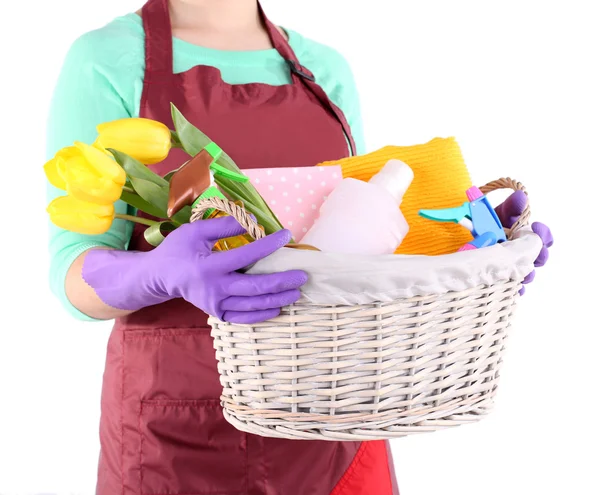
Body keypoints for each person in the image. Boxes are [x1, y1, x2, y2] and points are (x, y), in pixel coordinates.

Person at [46, 0, 553, 493]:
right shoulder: (107, 59)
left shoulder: (323, 70)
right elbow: (72, 274)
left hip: (335, 414)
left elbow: (362, 249)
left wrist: (477, 251)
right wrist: (158, 273)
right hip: (174, 431)